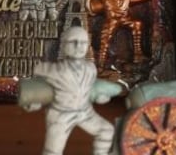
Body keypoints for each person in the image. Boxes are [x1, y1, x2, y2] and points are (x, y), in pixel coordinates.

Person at [23, 27, 115, 155]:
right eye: (73, 42)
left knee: (106, 130)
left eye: (83, 42)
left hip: (85, 112)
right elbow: (31, 79)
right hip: (61, 114)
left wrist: (99, 97)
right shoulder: (51, 70)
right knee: (53, 151)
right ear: (64, 45)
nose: (79, 46)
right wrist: (33, 100)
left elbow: (89, 89)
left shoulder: (91, 69)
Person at [85, 0, 148, 69]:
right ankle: (101, 62)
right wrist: (89, 8)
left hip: (125, 19)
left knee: (137, 24)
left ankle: (138, 54)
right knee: (105, 35)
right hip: (112, 20)